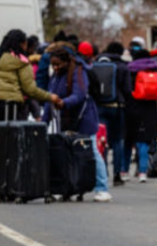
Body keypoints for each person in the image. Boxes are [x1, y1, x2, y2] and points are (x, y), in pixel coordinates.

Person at [43, 44, 112, 202]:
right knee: (65, 153)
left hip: (85, 118)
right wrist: (44, 121)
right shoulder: (56, 75)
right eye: (52, 65)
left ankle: (102, 188)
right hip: (66, 119)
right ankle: (67, 187)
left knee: (92, 150)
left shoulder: (79, 72)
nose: (55, 67)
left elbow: (79, 95)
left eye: (57, 64)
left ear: (66, 61)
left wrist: (63, 103)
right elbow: (49, 98)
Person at [0, 29, 61, 134]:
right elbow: (30, 89)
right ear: (21, 44)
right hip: (10, 106)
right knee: (10, 142)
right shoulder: (22, 62)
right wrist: (50, 97)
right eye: (25, 44)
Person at [122, 48, 157, 183]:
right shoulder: (154, 71)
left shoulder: (129, 71)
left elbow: (123, 89)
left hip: (130, 109)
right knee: (143, 142)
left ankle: (124, 171)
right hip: (149, 110)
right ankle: (142, 172)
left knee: (128, 141)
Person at [95, 42, 131, 186]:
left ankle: (103, 171)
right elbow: (128, 90)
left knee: (102, 140)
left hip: (99, 107)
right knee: (117, 141)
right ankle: (117, 174)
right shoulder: (123, 67)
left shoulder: (96, 66)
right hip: (117, 107)